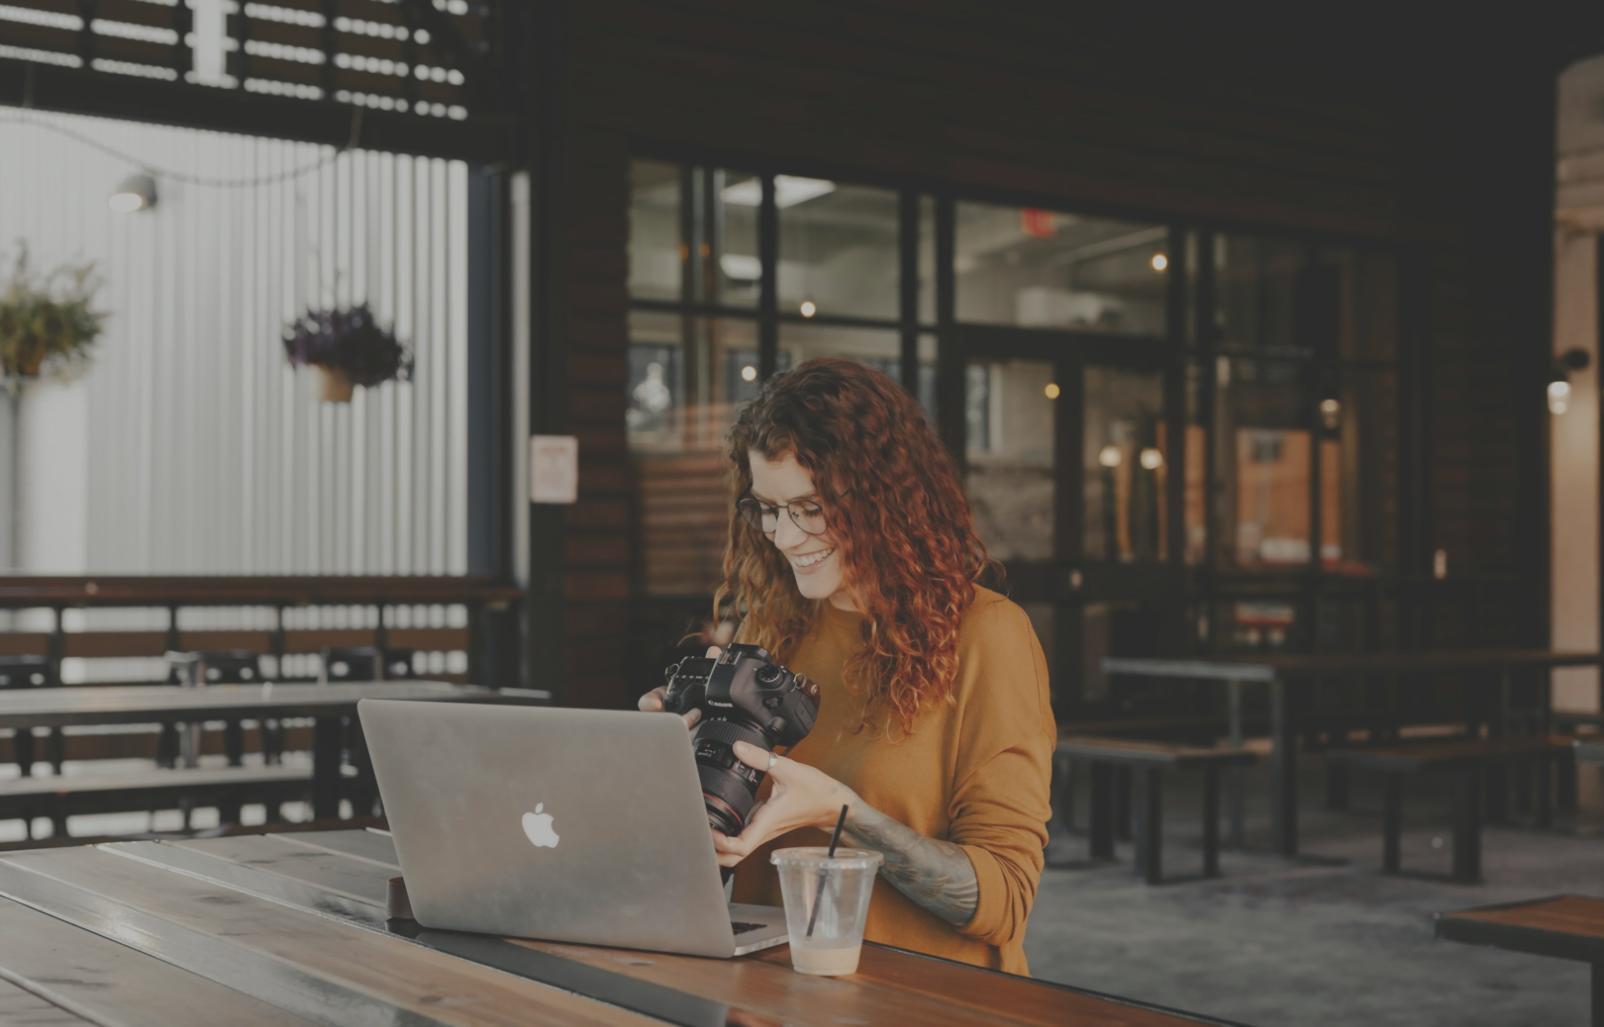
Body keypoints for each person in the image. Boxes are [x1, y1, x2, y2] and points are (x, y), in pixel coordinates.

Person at [639, 356, 1055, 975]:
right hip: (768, 995)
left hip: (926, 1004)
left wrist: (843, 814)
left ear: (883, 500)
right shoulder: (770, 632)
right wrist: (668, 775)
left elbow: (1004, 902)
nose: (783, 537)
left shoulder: (988, 636)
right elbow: (716, 868)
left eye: (809, 508)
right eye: (768, 509)